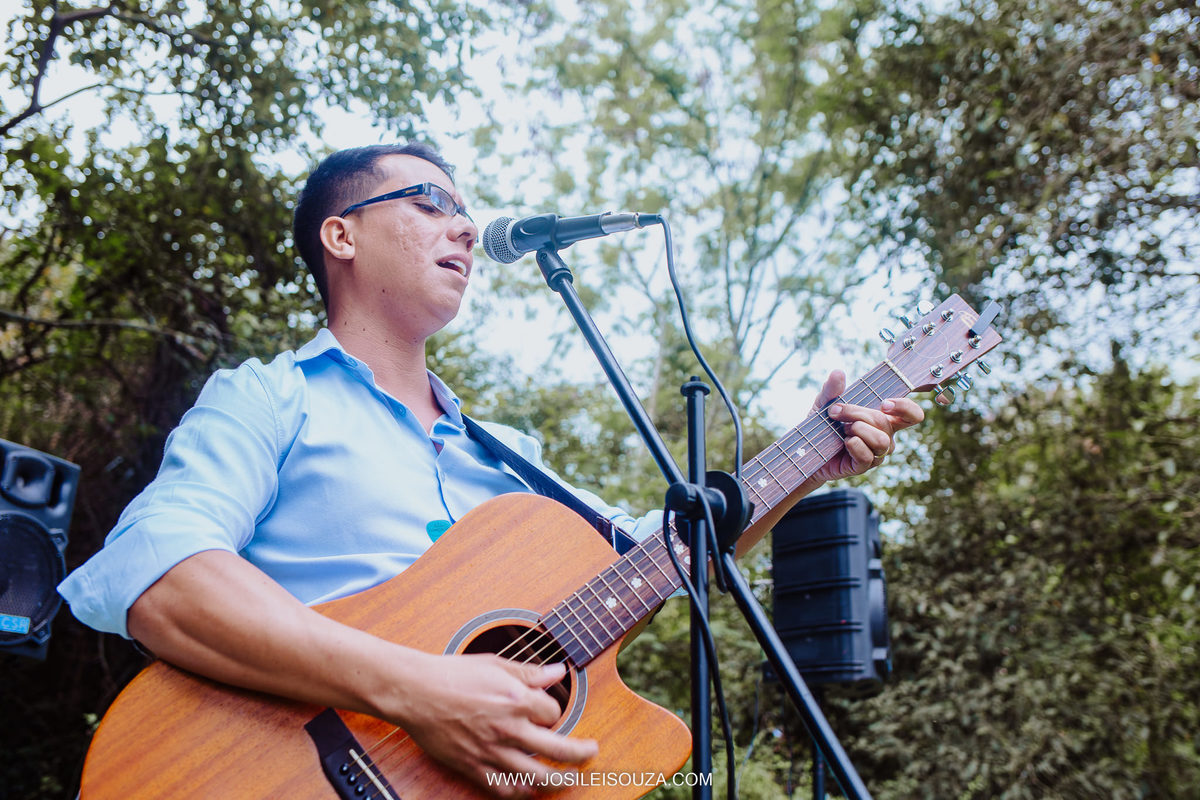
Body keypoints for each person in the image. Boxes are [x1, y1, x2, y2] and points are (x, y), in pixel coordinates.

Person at [58, 143, 923, 795]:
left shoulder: (509, 458)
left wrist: (811, 455)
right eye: (430, 202)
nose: (466, 227)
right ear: (341, 235)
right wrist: (417, 689)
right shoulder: (269, 397)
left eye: (466, 212)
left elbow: (670, 554)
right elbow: (162, 575)